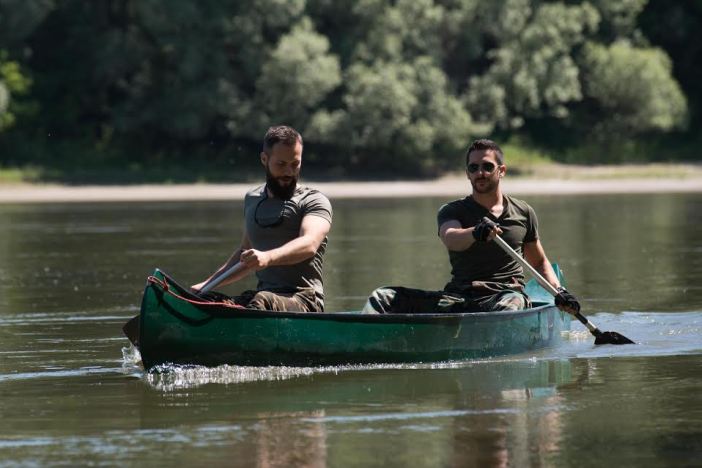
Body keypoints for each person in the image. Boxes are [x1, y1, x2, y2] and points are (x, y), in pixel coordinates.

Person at [364, 139, 580, 315]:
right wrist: (475, 233)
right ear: (467, 173)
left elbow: (540, 262)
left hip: (505, 296)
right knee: (383, 297)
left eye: (487, 167)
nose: (480, 173)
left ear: (501, 170)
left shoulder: (523, 212)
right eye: (473, 168)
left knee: (509, 307)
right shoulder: (452, 211)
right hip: (459, 297)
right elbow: (451, 238)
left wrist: (558, 292)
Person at [192, 125, 332, 312]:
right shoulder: (252, 199)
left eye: (295, 164)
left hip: (305, 300)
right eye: (281, 164)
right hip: (264, 298)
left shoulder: (314, 200)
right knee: (207, 301)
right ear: (264, 159)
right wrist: (206, 285)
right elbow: (245, 253)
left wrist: (267, 257)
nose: (289, 172)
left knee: (262, 300)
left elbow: (309, 244)